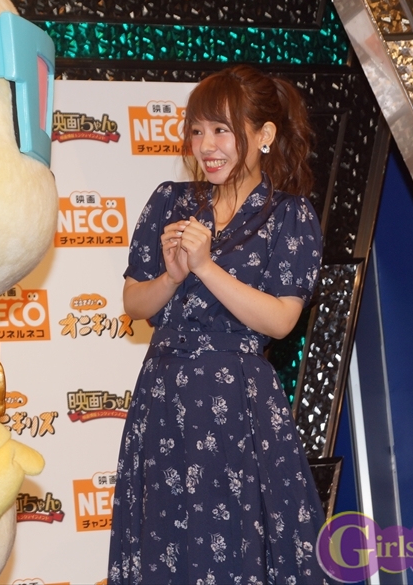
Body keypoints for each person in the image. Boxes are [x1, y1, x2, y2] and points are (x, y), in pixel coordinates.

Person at [108, 65, 328, 584]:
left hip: (237, 406)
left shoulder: (290, 215)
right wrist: (172, 275)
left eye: (222, 130)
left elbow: (281, 319)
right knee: (166, 544)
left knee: (235, 546)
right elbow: (134, 303)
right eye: (197, 130)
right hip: (163, 398)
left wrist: (206, 267)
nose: (206, 145)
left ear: (264, 134)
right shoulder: (169, 199)